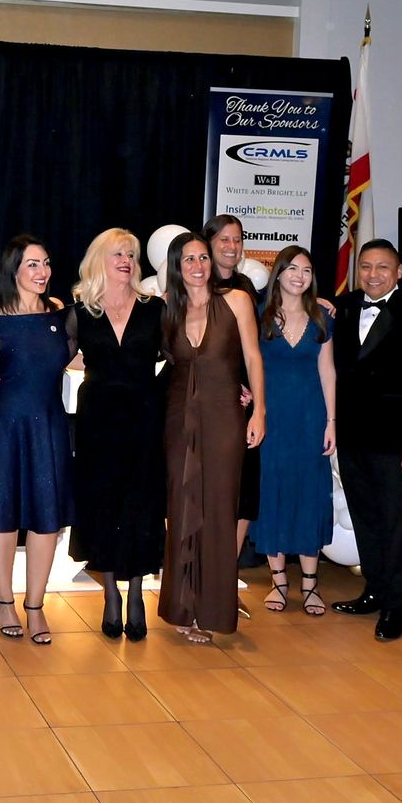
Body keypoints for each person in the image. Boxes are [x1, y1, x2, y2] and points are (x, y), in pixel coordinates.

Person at [331, 239, 402, 641]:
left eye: (382, 267)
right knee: (365, 518)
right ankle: (375, 589)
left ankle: (397, 604)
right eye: (365, 266)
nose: (373, 274)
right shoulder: (344, 307)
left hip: (397, 440)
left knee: (396, 522)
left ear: (398, 272)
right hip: (352, 435)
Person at [159, 231, 265, 643]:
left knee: (219, 509)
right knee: (182, 508)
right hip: (178, 420)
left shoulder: (237, 300)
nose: (198, 266)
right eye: (188, 259)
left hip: (225, 417)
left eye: (203, 257)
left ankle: (213, 611)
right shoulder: (166, 308)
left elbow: (253, 356)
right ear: (176, 266)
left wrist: (260, 410)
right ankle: (181, 608)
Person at [65, 229, 164, 640]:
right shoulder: (79, 311)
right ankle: (110, 593)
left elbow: (185, 354)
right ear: (99, 260)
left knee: (141, 505)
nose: (126, 260)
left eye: (131, 254)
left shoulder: (155, 308)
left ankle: (137, 592)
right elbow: (50, 356)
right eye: (117, 253)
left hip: (144, 419)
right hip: (98, 422)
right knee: (102, 504)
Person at [0, 235, 75, 645]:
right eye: (33, 264)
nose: (42, 271)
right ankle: (4, 601)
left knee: (46, 518)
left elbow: (73, 357)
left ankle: (35, 606)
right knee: (3, 514)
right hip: (5, 425)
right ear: (13, 269)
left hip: (49, 426)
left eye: (46, 263)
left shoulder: (59, 311)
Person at [250, 245, 334, 617]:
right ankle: (279, 581)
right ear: (279, 273)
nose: (300, 276)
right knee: (274, 491)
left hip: (311, 417)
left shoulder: (322, 317)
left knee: (309, 493)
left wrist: (332, 421)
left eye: (307, 270)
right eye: (293, 269)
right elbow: (247, 362)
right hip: (272, 418)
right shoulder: (259, 316)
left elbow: (328, 371)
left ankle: (311, 584)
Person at [203, 213, 265, 568]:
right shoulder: (192, 285)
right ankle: (200, 570)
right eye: (224, 239)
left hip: (242, 403)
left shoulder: (246, 289)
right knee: (203, 489)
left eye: (237, 239)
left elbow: (255, 349)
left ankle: (225, 571)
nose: (232, 246)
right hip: (204, 399)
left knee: (243, 490)